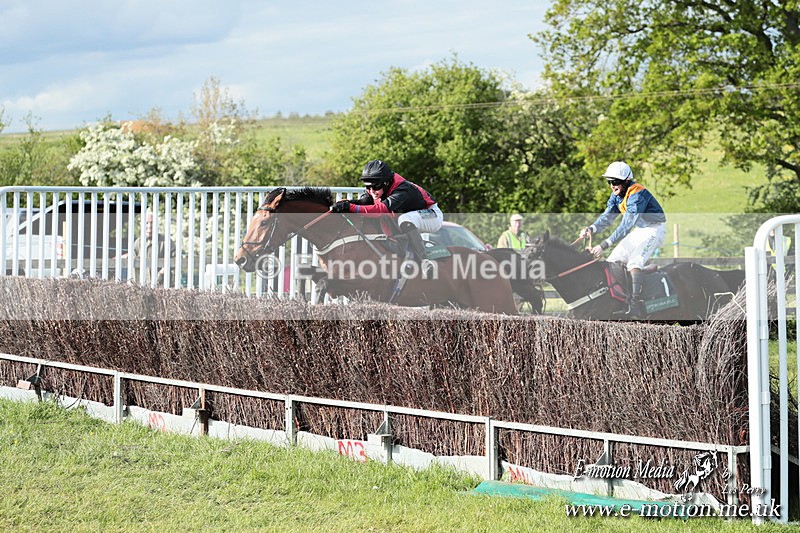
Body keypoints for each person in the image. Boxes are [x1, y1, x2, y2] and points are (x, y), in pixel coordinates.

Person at [578, 161, 666, 318]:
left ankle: (635, 304)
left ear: (626, 181)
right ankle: (621, 299)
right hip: (641, 230)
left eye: (616, 181)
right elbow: (607, 217)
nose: (612, 185)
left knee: (634, 262)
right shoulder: (616, 196)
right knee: (613, 261)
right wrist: (591, 228)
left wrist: (604, 245)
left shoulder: (637, 194)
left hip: (654, 230)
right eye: (610, 182)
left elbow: (626, 226)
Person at [330, 159, 443, 276]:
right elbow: (364, 202)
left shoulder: (403, 190)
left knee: (404, 220)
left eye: (375, 187)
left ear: (387, 183)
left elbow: (379, 210)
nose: (371, 191)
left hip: (431, 215)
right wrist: (346, 204)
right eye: (368, 187)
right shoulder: (376, 187)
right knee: (394, 220)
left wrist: (350, 207)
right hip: (410, 215)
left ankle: (425, 261)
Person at [123, 212, 176, 286]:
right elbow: (133, 263)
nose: (149, 226)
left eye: (152, 222)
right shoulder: (138, 242)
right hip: (142, 285)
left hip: (164, 287)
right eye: (146, 223)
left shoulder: (166, 241)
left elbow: (175, 260)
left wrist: (161, 274)